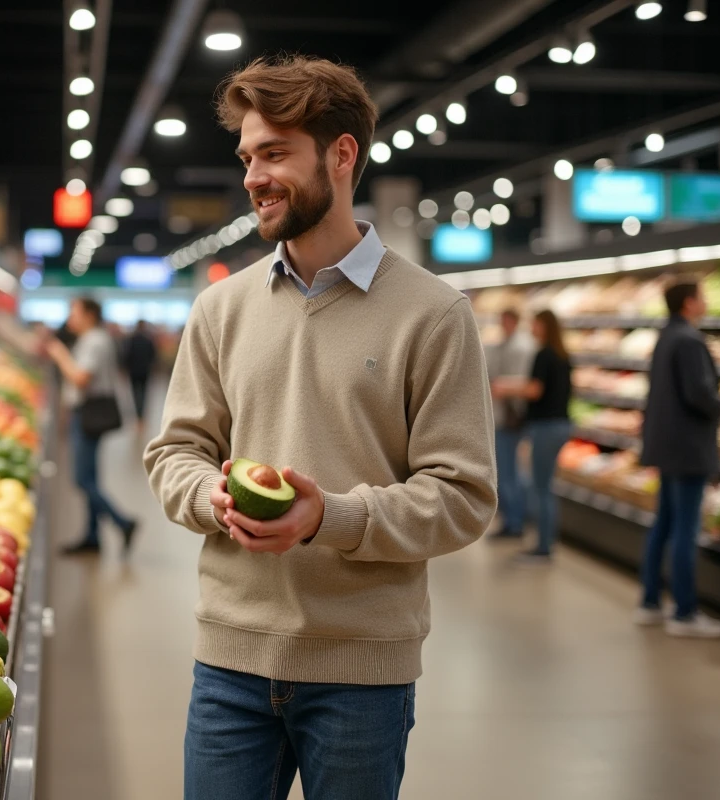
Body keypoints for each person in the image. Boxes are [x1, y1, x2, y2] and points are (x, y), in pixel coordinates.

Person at [143, 55, 497, 800]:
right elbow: (175, 452)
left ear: (342, 155)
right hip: (229, 665)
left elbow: (463, 495)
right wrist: (218, 498)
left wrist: (326, 517)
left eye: (274, 153)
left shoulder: (433, 315)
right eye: (247, 156)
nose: (252, 176)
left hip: (362, 672)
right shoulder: (222, 309)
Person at [637, 281, 720, 638]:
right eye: (702, 297)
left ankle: (649, 602)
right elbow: (699, 395)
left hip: (666, 446)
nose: (705, 302)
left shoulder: (664, 337)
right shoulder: (691, 341)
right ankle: (684, 612)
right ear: (690, 302)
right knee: (684, 529)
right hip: (689, 448)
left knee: (663, 522)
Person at [44, 297, 137, 556]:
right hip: (84, 413)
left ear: (89, 315)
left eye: (74, 312)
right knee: (91, 477)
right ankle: (92, 536)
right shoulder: (92, 339)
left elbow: (81, 378)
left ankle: (123, 522)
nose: (69, 317)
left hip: (89, 415)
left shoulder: (95, 340)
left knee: (82, 479)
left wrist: (59, 354)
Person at [493, 310, 573, 561]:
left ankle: (543, 546)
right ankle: (544, 541)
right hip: (561, 424)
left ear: (546, 326)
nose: (533, 329)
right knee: (544, 484)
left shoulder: (543, 354)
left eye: (536, 324)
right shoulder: (562, 355)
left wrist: (505, 387)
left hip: (545, 427)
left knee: (541, 487)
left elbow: (535, 390)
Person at [486, 308, 536, 539]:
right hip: (505, 417)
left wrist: (502, 387)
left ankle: (515, 522)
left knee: (509, 472)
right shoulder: (504, 344)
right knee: (510, 471)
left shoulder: (521, 346)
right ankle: (513, 519)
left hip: (511, 418)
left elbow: (524, 383)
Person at [124, 320, 158, 437]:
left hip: (134, 372)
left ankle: (138, 418)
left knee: (135, 394)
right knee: (143, 394)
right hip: (145, 371)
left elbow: (127, 356)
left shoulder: (131, 340)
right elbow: (153, 356)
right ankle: (141, 418)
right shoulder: (148, 340)